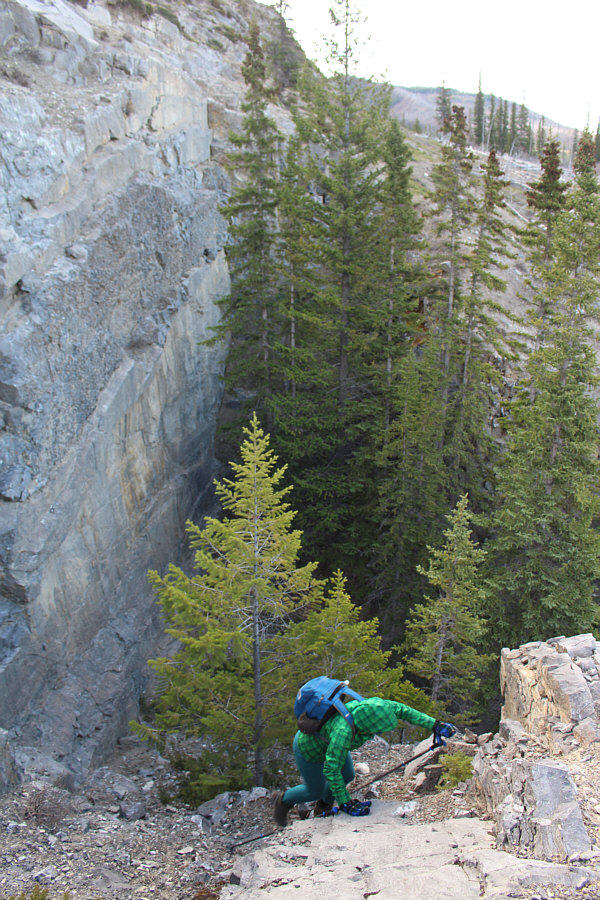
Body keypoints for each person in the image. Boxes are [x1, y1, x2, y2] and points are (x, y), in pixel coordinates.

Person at [272, 695, 454, 825]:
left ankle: (323, 807)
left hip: (328, 743)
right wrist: (345, 803)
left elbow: (404, 711)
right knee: (316, 790)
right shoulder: (343, 732)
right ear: (368, 727)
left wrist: (434, 724)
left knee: (348, 775)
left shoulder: (376, 707)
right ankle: (283, 800)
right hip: (308, 750)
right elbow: (331, 770)